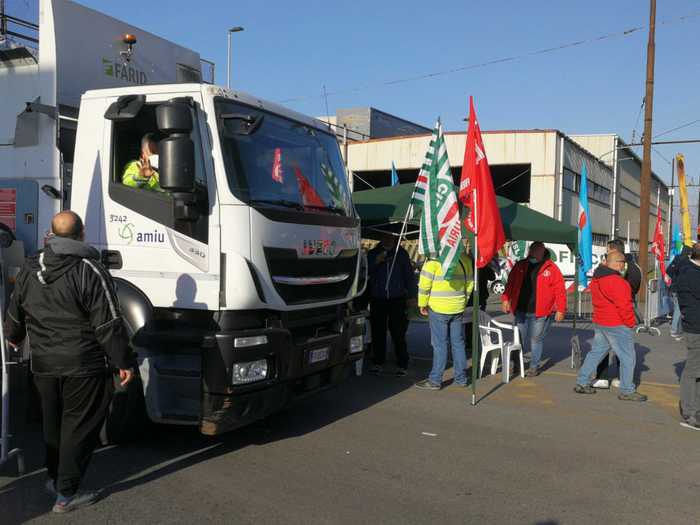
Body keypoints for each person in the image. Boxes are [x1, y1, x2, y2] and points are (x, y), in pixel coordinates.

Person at [5, 211, 134, 513]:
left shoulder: (31, 266)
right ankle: (66, 494)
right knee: (79, 426)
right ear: (82, 234)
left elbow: (15, 308)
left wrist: (14, 336)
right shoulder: (90, 269)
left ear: (50, 234)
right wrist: (123, 361)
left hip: (43, 364)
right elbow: (109, 324)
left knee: (52, 424)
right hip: (83, 364)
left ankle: (54, 479)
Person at [574, 250, 647, 401]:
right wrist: (630, 323)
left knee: (596, 352)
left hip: (601, 321)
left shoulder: (596, 278)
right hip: (616, 323)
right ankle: (627, 390)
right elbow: (624, 306)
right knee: (628, 357)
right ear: (619, 264)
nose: (624, 267)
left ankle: (582, 381)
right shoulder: (619, 283)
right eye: (623, 264)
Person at [501, 241, 566, 377]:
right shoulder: (520, 265)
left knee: (536, 339)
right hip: (520, 310)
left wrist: (561, 309)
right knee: (518, 339)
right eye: (532, 249)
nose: (533, 252)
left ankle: (533, 367)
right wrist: (505, 299)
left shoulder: (551, 268)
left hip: (540, 312)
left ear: (543, 252)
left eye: (537, 250)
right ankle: (516, 363)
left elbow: (560, 290)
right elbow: (510, 283)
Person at [415, 251, 474, 390]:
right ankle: (461, 378)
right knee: (458, 344)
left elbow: (424, 286)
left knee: (440, 344)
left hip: (438, 308)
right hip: (457, 307)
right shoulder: (465, 259)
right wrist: (463, 302)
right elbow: (470, 283)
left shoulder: (433, 261)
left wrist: (422, 304)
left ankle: (435, 380)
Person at [366, 233, 417, 377]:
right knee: (378, 332)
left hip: (397, 299)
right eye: (386, 236)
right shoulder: (372, 253)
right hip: (378, 298)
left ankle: (402, 363)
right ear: (381, 237)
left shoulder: (401, 253)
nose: (389, 239)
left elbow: (409, 276)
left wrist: (412, 295)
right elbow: (365, 272)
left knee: (398, 332)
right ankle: (378, 362)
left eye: (391, 237)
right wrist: (376, 261)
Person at [595, 239, 643, 388]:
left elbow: (600, 281)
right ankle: (621, 378)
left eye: (608, 250)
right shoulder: (635, 267)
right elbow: (636, 285)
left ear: (613, 250)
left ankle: (603, 377)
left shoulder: (614, 267)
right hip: (625, 307)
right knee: (622, 347)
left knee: (605, 345)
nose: (606, 253)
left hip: (614, 310)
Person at [672, 242, 700, 428]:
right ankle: (690, 412)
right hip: (696, 327)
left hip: (694, 325)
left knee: (697, 371)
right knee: (693, 370)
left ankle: (694, 409)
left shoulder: (689, 270)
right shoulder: (691, 273)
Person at [667, 244, 692, 341]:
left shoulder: (677, 258)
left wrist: (674, 277)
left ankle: (678, 330)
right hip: (681, 288)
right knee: (679, 310)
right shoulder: (687, 261)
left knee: (677, 309)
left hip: (673, 287)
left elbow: (668, 271)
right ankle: (674, 330)